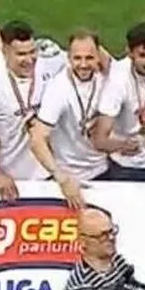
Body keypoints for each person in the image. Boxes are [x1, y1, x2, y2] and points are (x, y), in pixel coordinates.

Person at [0, 21, 66, 201]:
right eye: (21, 54)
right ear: (4, 51)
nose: (29, 60)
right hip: (10, 179)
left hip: (48, 173)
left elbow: (88, 56)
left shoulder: (50, 63)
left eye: (32, 52)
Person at [27, 31, 110, 208]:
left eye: (89, 58)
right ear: (68, 58)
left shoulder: (108, 79)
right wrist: (61, 177)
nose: (83, 64)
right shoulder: (58, 88)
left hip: (104, 171)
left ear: (98, 56)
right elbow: (37, 139)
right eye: (77, 58)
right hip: (69, 178)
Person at [93, 22, 145, 181]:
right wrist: (123, 145)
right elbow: (99, 140)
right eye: (144, 55)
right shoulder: (117, 80)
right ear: (129, 53)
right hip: (125, 167)